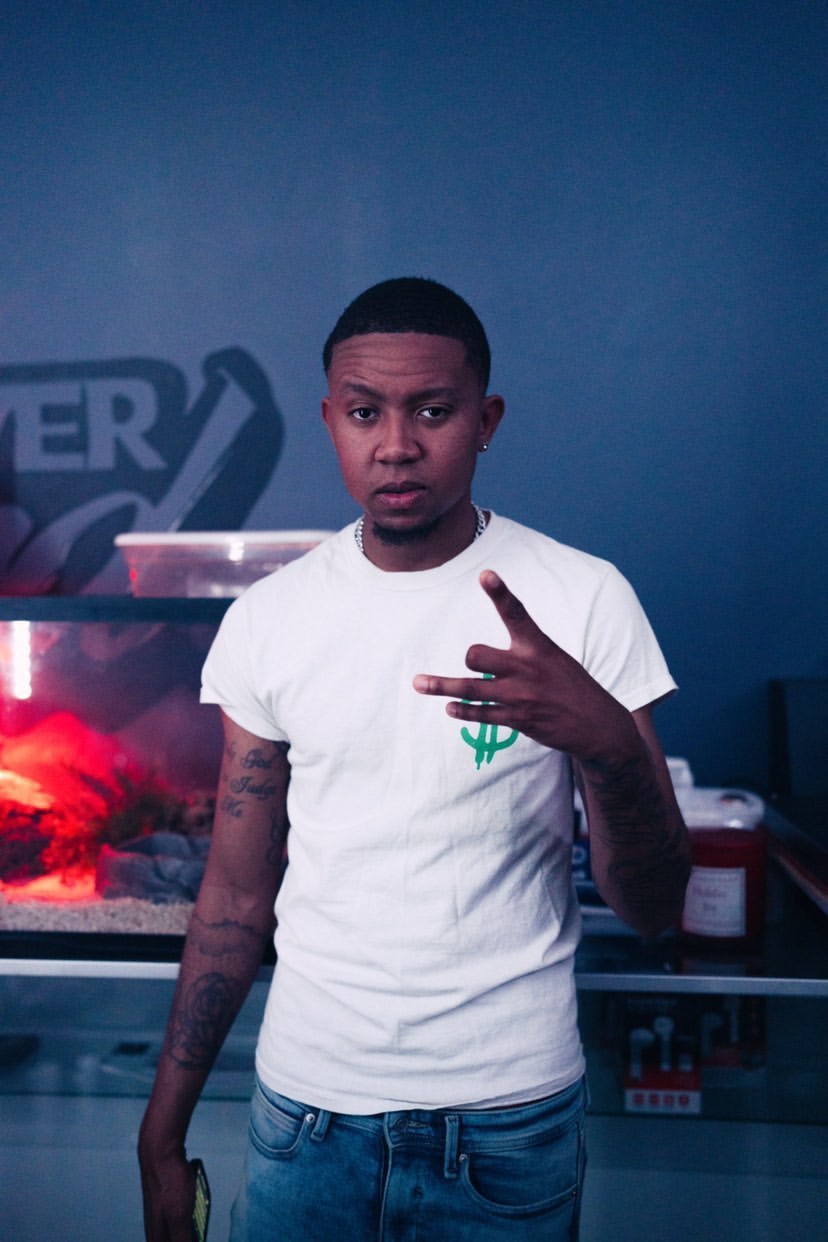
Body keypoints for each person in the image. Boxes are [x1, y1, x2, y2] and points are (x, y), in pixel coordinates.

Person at [138, 276, 691, 1241]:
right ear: (329, 422)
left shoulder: (582, 598)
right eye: (365, 413)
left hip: (509, 1120)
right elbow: (233, 894)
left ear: (486, 421)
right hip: (305, 1116)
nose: (396, 444)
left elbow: (653, 909)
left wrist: (604, 741)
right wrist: (160, 1136)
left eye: (433, 411)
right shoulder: (269, 620)